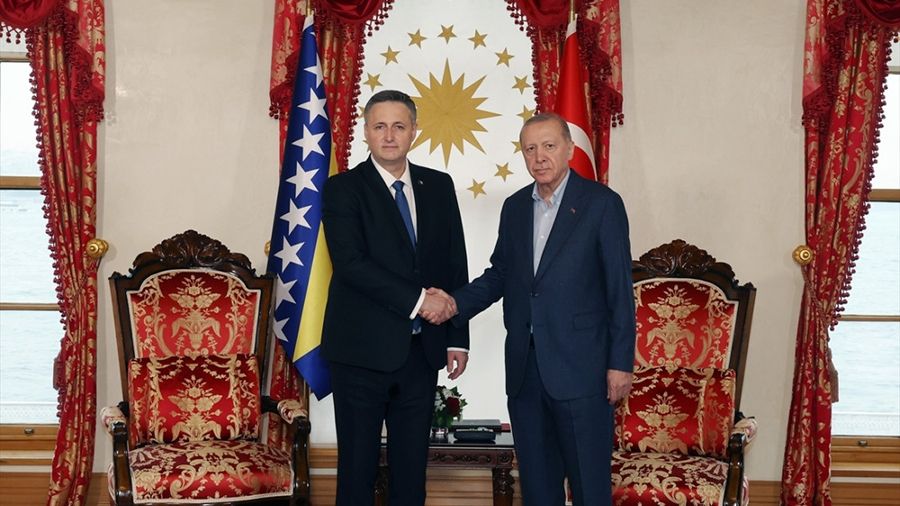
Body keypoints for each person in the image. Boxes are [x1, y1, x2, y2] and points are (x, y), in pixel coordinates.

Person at [428, 113, 636, 505]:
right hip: (526, 373)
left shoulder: (601, 205)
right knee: (538, 491)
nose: (539, 157)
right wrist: (454, 303)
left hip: (583, 372)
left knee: (590, 490)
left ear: (569, 149)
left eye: (549, 146)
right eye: (530, 149)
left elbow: (619, 290)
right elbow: (500, 275)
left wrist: (620, 364)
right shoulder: (515, 207)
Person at [321, 89, 468, 505]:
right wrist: (420, 301)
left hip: (421, 354)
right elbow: (351, 264)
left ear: (414, 131)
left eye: (399, 126)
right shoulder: (342, 189)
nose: (389, 135)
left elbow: (454, 262)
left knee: (411, 475)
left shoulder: (438, 186)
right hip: (359, 355)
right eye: (380, 126)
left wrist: (458, 337)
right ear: (365, 132)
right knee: (357, 474)